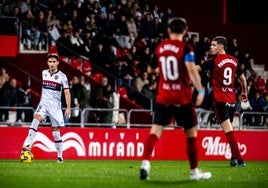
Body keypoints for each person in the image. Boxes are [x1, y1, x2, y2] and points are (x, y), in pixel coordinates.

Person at [139, 17, 212, 181]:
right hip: (182, 98)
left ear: (169, 31)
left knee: (155, 132)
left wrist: (163, 70)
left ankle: (145, 164)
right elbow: (192, 70)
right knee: (191, 134)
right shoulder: (186, 48)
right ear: (185, 31)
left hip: (163, 97)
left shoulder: (160, 47)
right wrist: (200, 91)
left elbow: (151, 69)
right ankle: (194, 172)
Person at [196, 36, 247, 167]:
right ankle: (234, 158)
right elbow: (243, 79)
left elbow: (197, 68)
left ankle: (240, 159)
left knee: (228, 131)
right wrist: (244, 92)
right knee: (230, 130)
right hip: (231, 100)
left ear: (221, 47)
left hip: (219, 100)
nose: (211, 47)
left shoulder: (213, 61)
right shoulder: (234, 61)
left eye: (213, 45)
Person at [21, 53, 71, 163]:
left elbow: (67, 92)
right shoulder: (44, 73)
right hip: (43, 104)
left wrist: (68, 107)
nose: (52, 64)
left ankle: (60, 156)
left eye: (54, 62)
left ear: (58, 63)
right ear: (47, 63)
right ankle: (28, 144)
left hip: (55, 107)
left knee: (55, 132)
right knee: (36, 119)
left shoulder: (62, 76)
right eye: (50, 62)